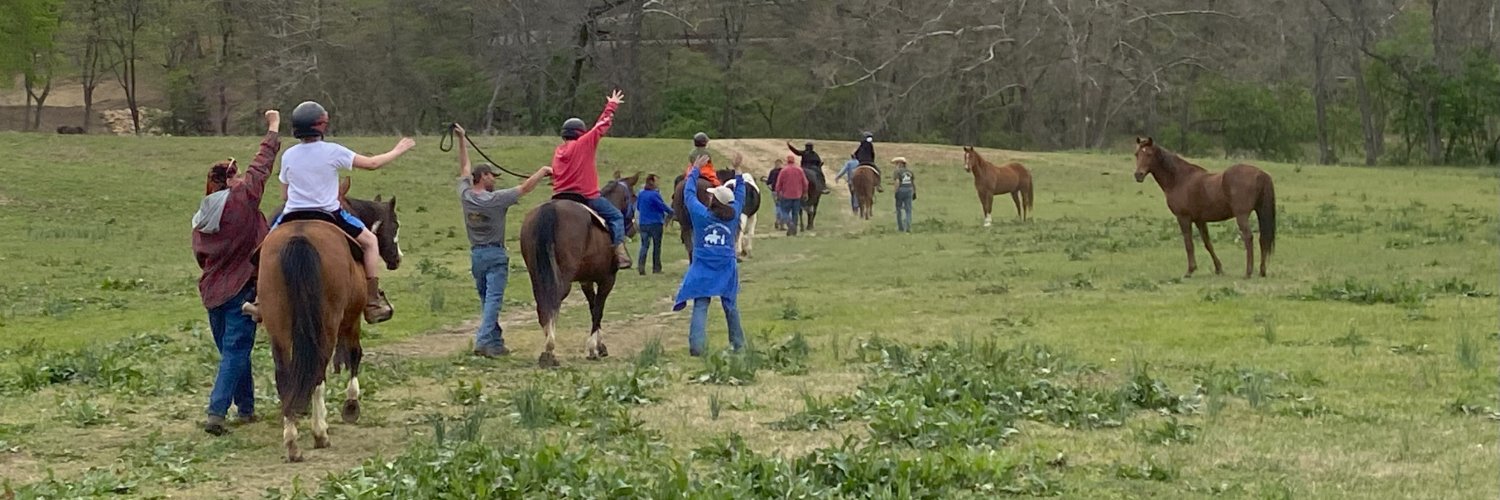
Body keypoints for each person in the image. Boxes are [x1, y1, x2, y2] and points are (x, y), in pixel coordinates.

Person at [243, 101, 415, 324]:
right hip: (329, 214)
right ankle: (372, 302)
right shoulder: (333, 150)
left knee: (266, 248)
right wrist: (397, 150)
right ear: (321, 126)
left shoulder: (288, 155)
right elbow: (372, 164)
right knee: (371, 242)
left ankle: (260, 301)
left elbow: (285, 195)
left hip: (292, 214)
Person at [191, 110, 281, 436]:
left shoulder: (202, 215)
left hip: (212, 292)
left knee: (233, 352)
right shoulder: (242, 200)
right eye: (237, 175)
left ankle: (246, 409)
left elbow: (201, 256)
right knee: (235, 352)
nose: (242, 178)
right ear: (229, 180)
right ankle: (216, 413)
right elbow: (262, 166)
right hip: (242, 289)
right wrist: (273, 129)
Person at [452, 124, 552, 358]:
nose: (494, 180)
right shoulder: (496, 199)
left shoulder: (466, 196)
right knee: (493, 301)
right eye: (491, 176)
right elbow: (525, 187)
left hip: (477, 255)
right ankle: (483, 340)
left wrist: (462, 139)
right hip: (495, 255)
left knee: (486, 300)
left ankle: (495, 343)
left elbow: (464, 168)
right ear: (483, 177)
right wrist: (543, 170)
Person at [674, 158, 749, 356]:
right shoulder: (734, 214)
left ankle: (697, 346)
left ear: (713, 200)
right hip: (726, 265)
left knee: (700, 304)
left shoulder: (701, 215)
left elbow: (689, 194)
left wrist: (695, 171)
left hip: (702, 264)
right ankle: (738, 345)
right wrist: (738, 170)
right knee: (730, 304)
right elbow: (741, 193)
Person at [552, 90, 632, 268]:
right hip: (585, 196)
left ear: (564, 134)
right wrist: (612, 105)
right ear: (581, 133)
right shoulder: (584, 143)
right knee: (616, 216)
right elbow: (601, 125)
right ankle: (620, 253)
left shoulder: (558, 151)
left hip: (559, 196)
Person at [635, 174, 673, 274]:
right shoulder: (654, 194)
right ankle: (656, 268)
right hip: (655, 223)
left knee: (644, 245)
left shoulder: (641, 194)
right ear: (652, 182)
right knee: (656, 246)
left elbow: (638, 207)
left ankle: (641, 267)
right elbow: (662, 206)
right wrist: (671, 212)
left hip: (643, 223)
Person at [774, 154, 809, 236]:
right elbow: (805, 183)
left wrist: (777, 193)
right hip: (797, 195)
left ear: (787, 161)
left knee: (784, 211)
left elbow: (778, 184)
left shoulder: (783, 171)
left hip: (786, 195)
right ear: (794, 161)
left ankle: (790, 223)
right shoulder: (799, 170)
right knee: (795, 213)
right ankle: (794, 230)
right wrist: (805, 192)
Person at [892, 157, 916, 233]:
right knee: (908, 209)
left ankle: (900, 227)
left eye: (897, 163)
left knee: (898, 209)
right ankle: (908, 227)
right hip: (909, 189)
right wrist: (914, 192)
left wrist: (895, 192)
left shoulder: (897, 172)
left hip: (901, 190)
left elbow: (897, 182)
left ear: (900, 164)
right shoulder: (910, 172)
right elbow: (913, 183)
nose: (896, 165)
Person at [766, 158, 786, 230]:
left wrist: (771, 189)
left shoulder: (772, 171)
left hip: (774, 191)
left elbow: (768, 183)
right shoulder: (783, 171)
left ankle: (778, 220)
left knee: (778, 206)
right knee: (783, 207)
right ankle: (781, 223)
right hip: (783, 191)